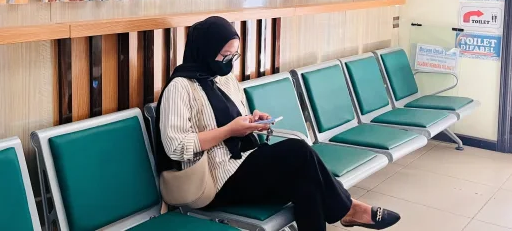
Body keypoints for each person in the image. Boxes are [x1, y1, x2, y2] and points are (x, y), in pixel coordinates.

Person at [157, 16, 401, 230]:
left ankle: (348, 209)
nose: (229, 61)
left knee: (306, 182)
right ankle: (349, 209)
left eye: (234, 55)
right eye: (224, 55)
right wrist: (229, 130)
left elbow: (234, 117)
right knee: (298, 151)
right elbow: (176, 147)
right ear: (205, 49)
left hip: (241, 163)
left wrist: (252, 121)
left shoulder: (224, 79)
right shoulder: (180, 88)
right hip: (211, 182)